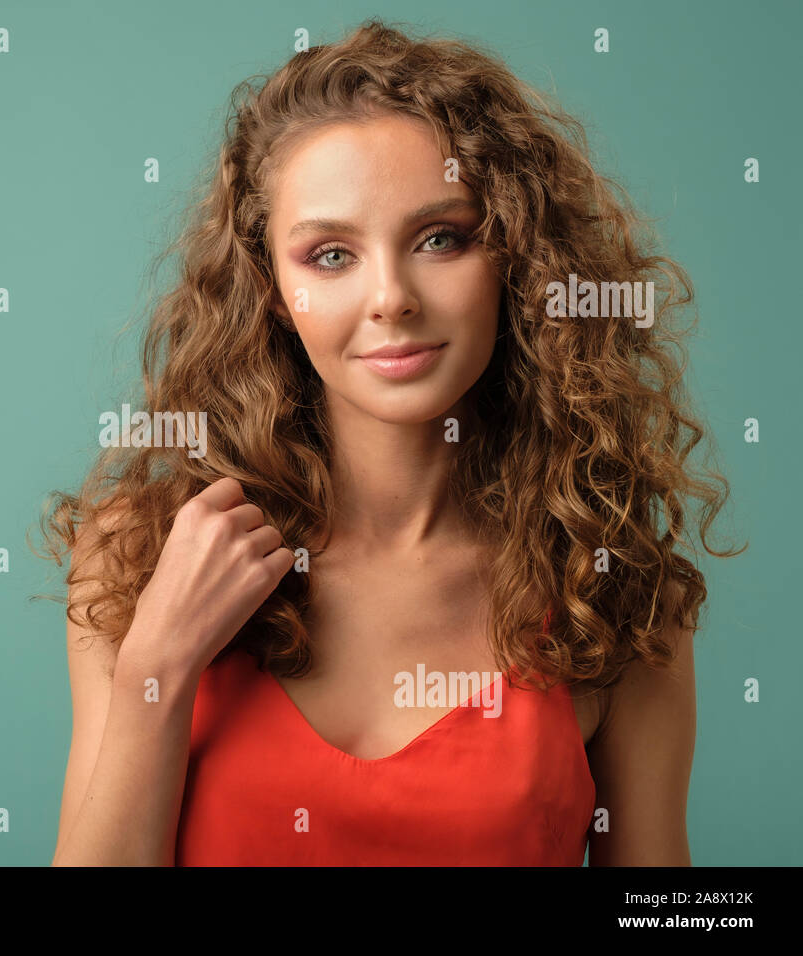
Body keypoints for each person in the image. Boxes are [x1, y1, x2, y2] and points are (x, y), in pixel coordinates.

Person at [41, 18, 738, 866]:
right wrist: (159, 664)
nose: (391, 298)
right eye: (330, 255)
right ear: (270, 289)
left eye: (440, 238)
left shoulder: (612, 588)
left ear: (516, 255)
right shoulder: (139, 556)